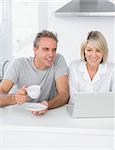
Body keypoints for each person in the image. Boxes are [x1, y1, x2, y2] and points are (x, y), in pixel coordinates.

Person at [0, 30, 69, 115]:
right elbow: (1, 92)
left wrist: (47, 105)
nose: (51, 54)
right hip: (21, 113)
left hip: (48, 114)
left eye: (54, 50)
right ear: (35, 50)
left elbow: (64, 95)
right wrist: (14, 98)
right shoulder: (18, 64)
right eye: (46, 49)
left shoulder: (58, 60)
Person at [69, 31, 115, 101]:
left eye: (98, 50)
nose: (93, 55)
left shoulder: (112, 69)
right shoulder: (74, 67)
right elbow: (73, 99)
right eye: (89, 50)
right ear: (84, 51)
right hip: (80, 111)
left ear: (104, 52)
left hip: (105, 111)